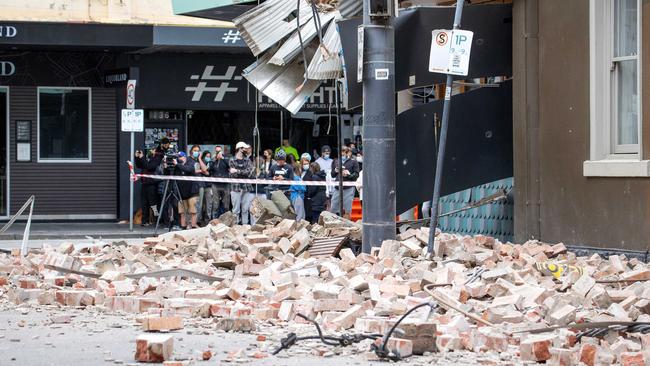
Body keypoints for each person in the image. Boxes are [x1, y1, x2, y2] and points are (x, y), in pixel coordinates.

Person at [134, 137, 168, 226]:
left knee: (153, 204)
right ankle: (144, 221)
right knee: (144, 203)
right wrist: (137, 157)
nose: (151, 150)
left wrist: (142, 158)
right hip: (144, 183)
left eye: (153, 149)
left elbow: (150, 167)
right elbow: (140, 165)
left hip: (153, 184)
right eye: (150, 149)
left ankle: (157, 220)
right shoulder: (149, 157)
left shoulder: (158, 157)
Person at [230, 141, 255, 225]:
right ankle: (235, 227)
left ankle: (245, 226)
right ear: (240, 149)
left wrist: (237, 170)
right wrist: (242, 172)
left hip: (246, 187)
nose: (246, 150)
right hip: (235, 188)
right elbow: (232, 175)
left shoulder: (247, 160)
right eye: (244, 148)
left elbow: (249, 172)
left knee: (245, 209)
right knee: (236, 210)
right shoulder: (232, 160)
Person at [330, 146, 360, 218]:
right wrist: (335, 171)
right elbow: (332, 175)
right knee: (333, 207)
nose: (342, 155)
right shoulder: (335, 161)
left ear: (347, 153)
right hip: (337, 188)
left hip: (349, 188)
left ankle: (347, 225)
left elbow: (356, 175)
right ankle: (333, 223)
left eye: (343, 153)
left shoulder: (354, 162)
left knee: (347, 209)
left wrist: (348, 175)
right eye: (341, 153)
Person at [176, 148, 201, 229]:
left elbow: (189, 169)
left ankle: (193, 226)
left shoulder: (191, 162)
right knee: (182, 212)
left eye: (180, 157)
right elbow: (168, 174)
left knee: (193, 211)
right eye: (178, 157)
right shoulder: (176, 165)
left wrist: (178, 164)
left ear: (184, 157)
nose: (179, 159)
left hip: (192, 192)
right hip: (181, 192)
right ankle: (183, 227)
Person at [209, 145, 230, 218]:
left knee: (226, 204)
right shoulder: (212, 159)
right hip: (215, 184)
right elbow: (209, 169)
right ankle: (214, 220)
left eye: (219, 151)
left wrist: (223, 158)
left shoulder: (226, 158)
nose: (218, 152)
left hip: (225, 184)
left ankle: (226, 220)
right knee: (215, 205)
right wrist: (215, 159)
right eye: (217, 151)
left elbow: (230, 166)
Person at [197, 150, 213, 224]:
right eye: (207, 156)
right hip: (200, 185)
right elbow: (197, 170)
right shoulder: (198, 162)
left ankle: (207, 221)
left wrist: (202, 170)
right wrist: (200, 159)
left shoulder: (211, 163)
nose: (208, 158)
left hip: (208, 186)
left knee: (208, 205)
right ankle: (198, 220)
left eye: (209, 156)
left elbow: (206, 171)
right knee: (199, 205)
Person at [299, 153, 313, 222]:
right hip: (301, 194)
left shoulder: (311, 172)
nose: (306, 165)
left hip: (307, 194)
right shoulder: (299, 172)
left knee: (307, 211)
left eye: (307, 163)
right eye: (304, 164)